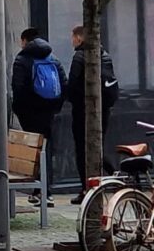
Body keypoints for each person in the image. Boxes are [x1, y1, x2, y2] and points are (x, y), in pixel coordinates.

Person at [9, 28, 65, 207]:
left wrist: (19, 109)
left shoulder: (22, 59)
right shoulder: (53, 58)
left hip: (29, 112)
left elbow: (17, 88)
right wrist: (55, 107)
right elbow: (63, 84)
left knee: (32, 150)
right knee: (45, 150)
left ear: (24, 40)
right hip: (48, 111)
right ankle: (44, 192)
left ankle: (39, 189)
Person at [69, 24, 120, 204]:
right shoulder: (104, 54)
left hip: (82, 110)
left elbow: (73, 85)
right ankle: (112, 173)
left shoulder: (79, 56)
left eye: (73, 37)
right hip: (103, 110)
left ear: (80, 38)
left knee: (83, 150)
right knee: (97, 144)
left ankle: (87, 188)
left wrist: (68, 100)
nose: (72, 41)